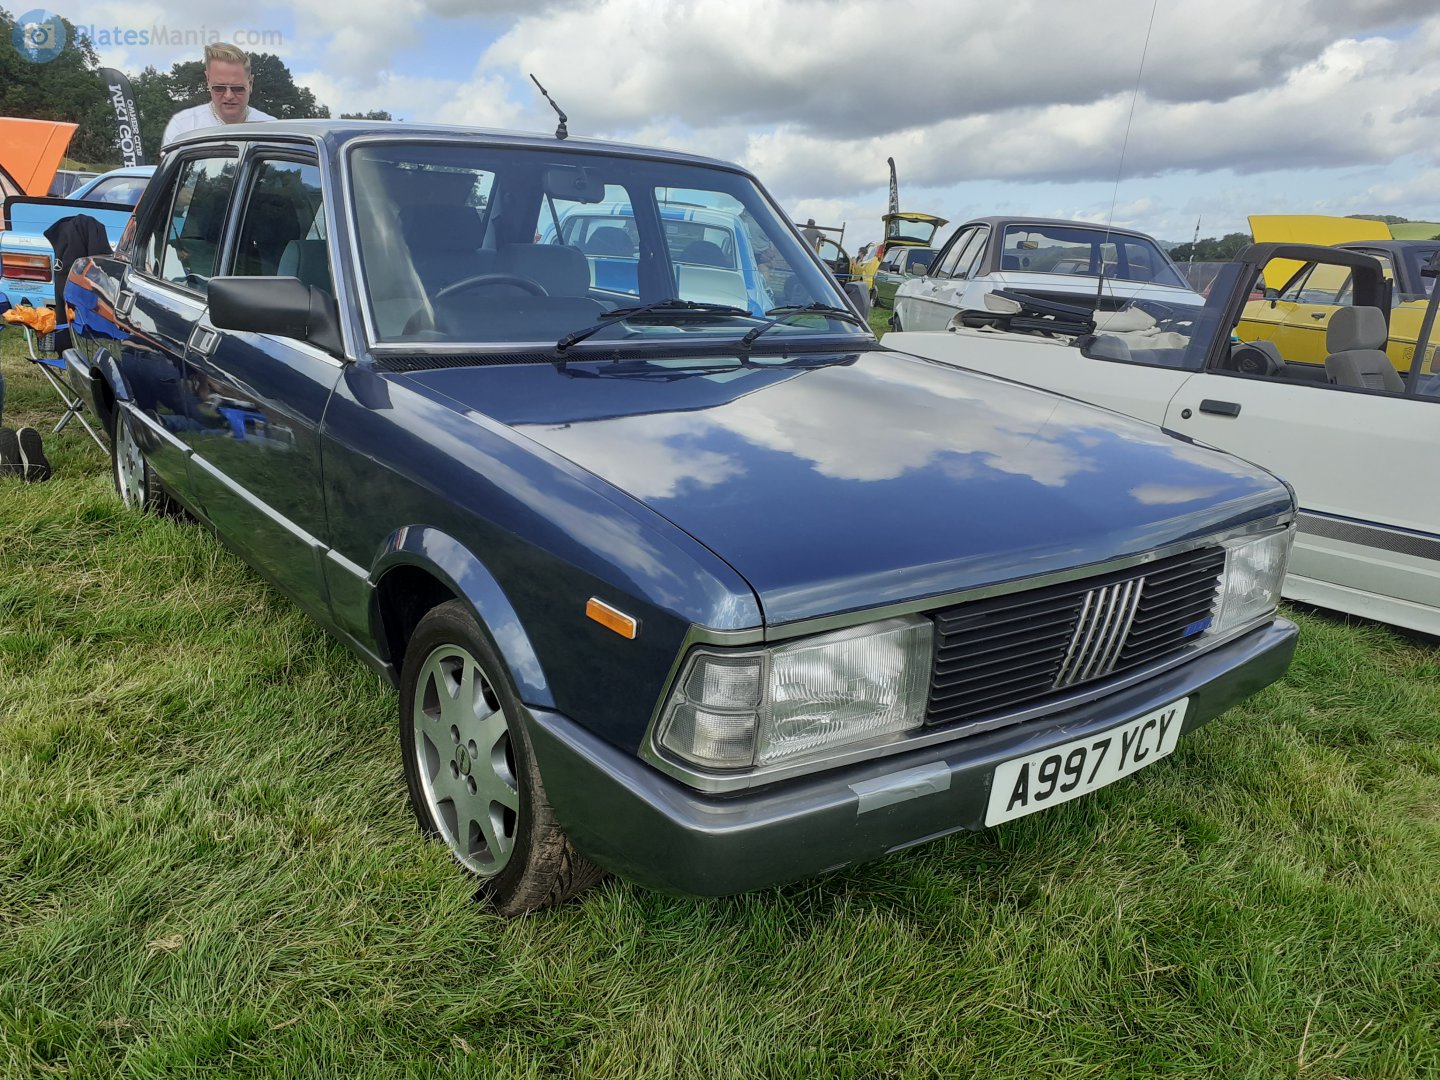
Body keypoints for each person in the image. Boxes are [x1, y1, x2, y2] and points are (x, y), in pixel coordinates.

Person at [161, 42, 275, 145]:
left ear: (250, 84)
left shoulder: (273, 130)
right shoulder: (183, 128)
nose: (229, 96)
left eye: (238, 88)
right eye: (219, 88)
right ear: (208, 80)